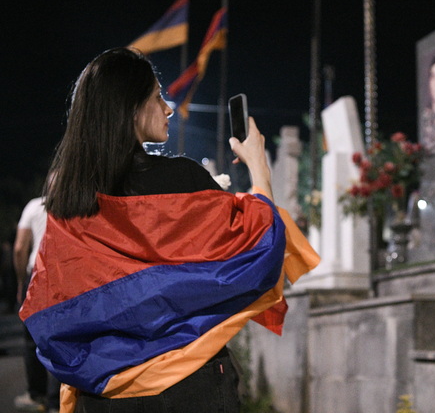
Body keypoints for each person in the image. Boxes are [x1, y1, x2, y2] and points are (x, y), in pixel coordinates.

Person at [19, 47, 319, 413]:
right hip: (190, 389)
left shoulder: (66, 205)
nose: (168, 108)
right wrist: (259, 168)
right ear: (130, 108)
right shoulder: (182, 178)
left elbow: (52, 308)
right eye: (158, 96)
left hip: (102, 397)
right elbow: (257, 248)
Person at [14, 196, 60, 413]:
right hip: (63, 272)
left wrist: (21, 281)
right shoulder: (71, 203)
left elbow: (19, 248)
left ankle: (37, 394)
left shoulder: (33, 206)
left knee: (32, 338)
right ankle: (56, 400)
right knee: (57, 337)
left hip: (36, 274)